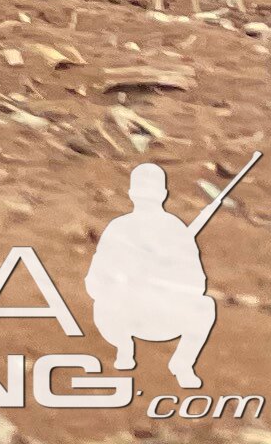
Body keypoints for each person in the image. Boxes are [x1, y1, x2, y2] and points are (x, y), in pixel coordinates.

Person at [85, 163, 219, 388]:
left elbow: (197, 284)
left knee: (205, 306)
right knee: (108, 299)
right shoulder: (119, 228)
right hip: (124, 315)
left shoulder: (176, 231)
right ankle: (124, 348)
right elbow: (95, 280)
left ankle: (182, 364)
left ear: (162, 195)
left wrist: (165, 279)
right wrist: (123, 282)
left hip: (164, 314)